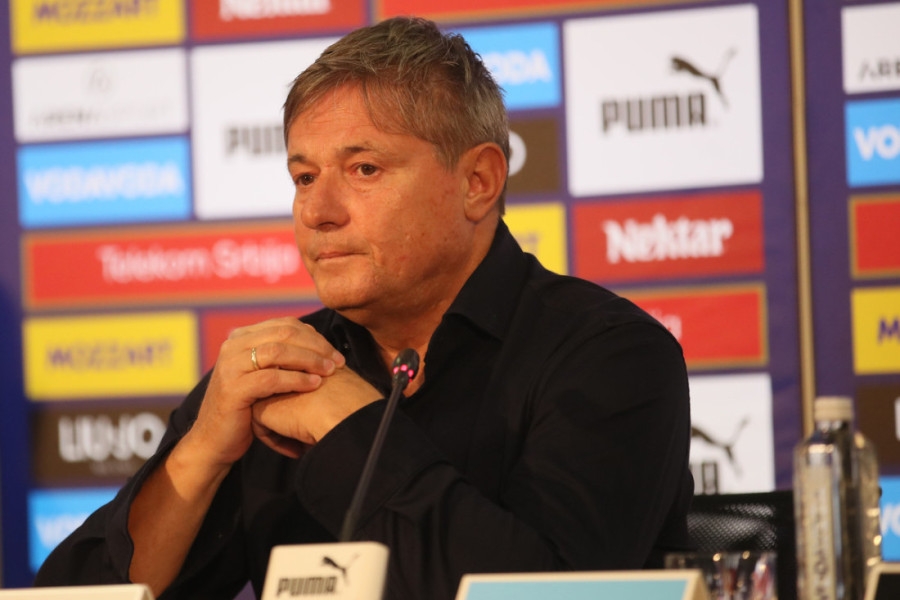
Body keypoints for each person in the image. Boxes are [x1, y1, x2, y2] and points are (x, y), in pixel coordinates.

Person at [35, 16, 693, 600]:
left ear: (478, 181)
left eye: (364, 170)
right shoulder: (278, 371)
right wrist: (200, 453)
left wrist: (348, 423)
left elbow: (544, 592)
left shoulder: (612, 357)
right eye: (304, 177)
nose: (318, 212)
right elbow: (75, 597)